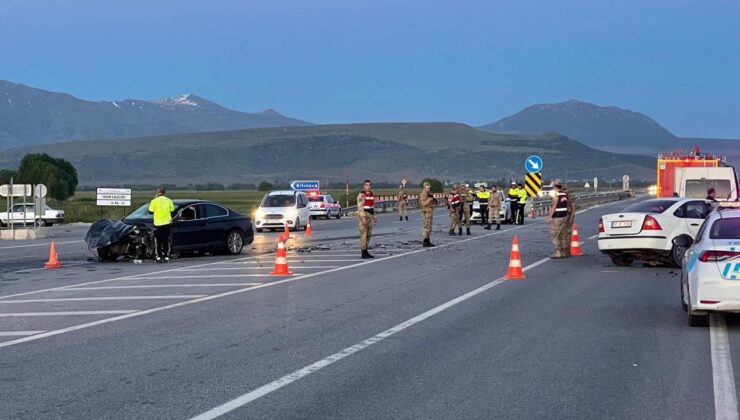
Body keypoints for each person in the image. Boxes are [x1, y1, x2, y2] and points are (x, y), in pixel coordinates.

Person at [148, 187, 175, 263]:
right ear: (164, 192)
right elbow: (172, 210)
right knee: (166, 240)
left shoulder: (154, 201)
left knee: (158, 241)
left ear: (158, 192)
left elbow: (150, 211)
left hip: (158, 224)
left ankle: (158, 257)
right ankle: (166, 256)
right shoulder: (169, 200)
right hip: (167, 223)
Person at [548, 180, 571, 258]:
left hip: (557, 217)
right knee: (563, 235)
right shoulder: (564, 194)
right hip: (564, 216)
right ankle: (564, 252)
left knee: (556, 235)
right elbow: (568, 207)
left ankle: (558, 252)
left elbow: (554, 206)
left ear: (554, 186)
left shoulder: (556, 195)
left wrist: (550, 217)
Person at [357, 179, 377, 259]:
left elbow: (373, 206)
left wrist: (375, 216)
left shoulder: (371, 194)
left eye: (369, 185)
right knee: (363, 234)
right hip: (364, 215)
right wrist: (363, 218)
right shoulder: (362, 195)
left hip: (370, 215)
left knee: (368, 235)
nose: (368, 186)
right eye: (366, 185)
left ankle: (366, 251)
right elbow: (360, 208)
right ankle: (363, 252)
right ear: (364, 186)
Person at [420, 181, 436, 247]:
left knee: (429, 227)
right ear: (425, 187)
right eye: (427, 188)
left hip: (429, 212)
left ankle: (428, 240)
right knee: (426, 227)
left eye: (429, 187)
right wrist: (429, 200)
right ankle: (425, 241)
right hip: (426, 212)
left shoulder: (428, 193)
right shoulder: (423, 194)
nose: (429, 189)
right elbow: (423, 204)